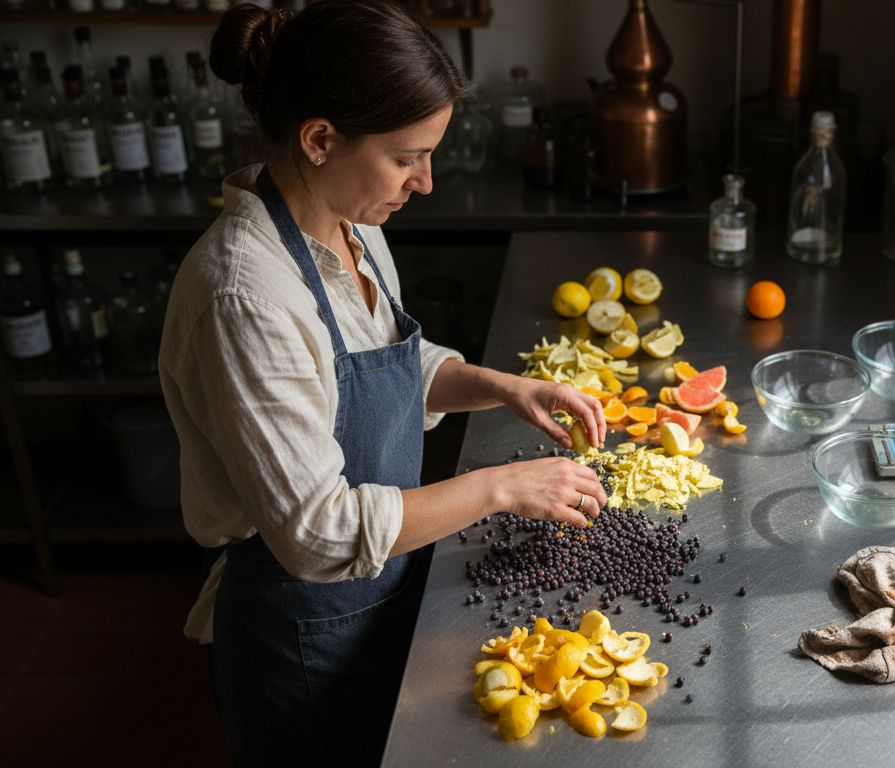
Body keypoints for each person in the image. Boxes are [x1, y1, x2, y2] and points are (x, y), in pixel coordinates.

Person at [158, 2, 608, 764]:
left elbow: (381, 368)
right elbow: (319, 532)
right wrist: (502, 487)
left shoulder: (354, 226)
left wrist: (499, 386)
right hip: (304, 628)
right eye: (407, 157)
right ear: (321, 139)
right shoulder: (246, 296)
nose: (425, 182)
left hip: (385, 585)